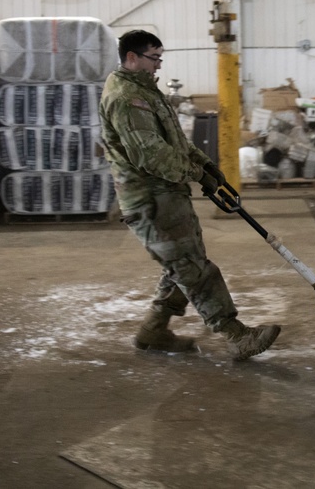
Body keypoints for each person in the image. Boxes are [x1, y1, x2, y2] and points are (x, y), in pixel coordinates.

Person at [99, 29, 280, 361]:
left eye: (160, 59)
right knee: (192, 269)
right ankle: (236, 334)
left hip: (167, 195)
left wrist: (205, 165)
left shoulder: (146, 92)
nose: (158, 66)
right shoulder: (126, 99)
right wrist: (196, 174)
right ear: (132, 58)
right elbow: (151, 156)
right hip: (150, 202)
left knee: (181, 266)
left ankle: (153, 331)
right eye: (154, 59)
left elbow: (176, 145)